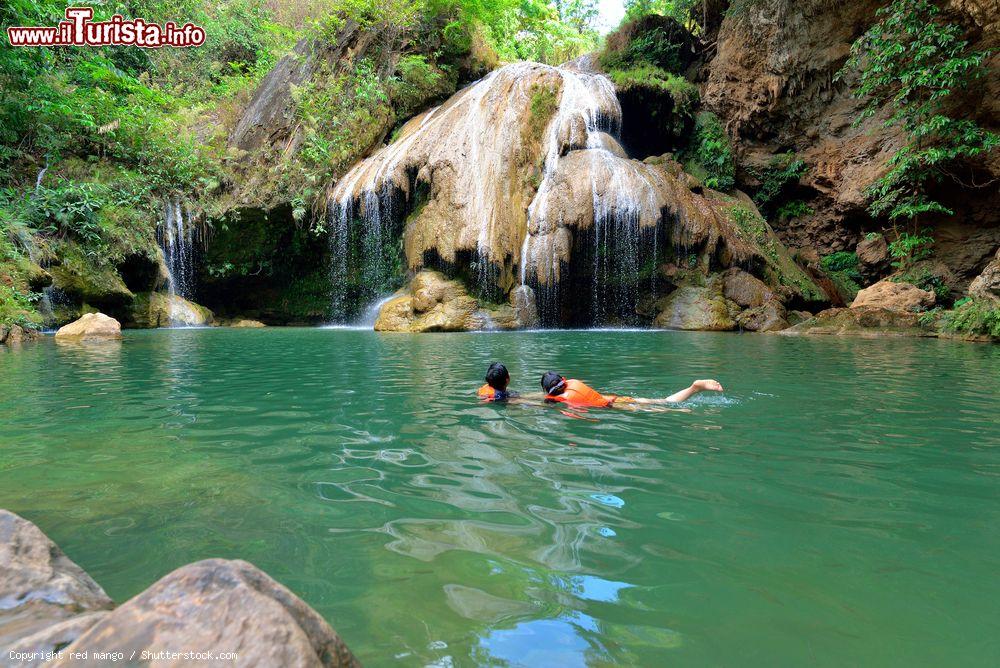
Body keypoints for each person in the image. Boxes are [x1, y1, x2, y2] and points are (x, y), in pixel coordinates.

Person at [540, 371, 723, 408]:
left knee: (665, 406)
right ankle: (694, 389)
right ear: (563, 380)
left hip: (613, 406)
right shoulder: (572, 384)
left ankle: (694, 388)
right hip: (613, 398)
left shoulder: (561, 399)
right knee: (660, 402)